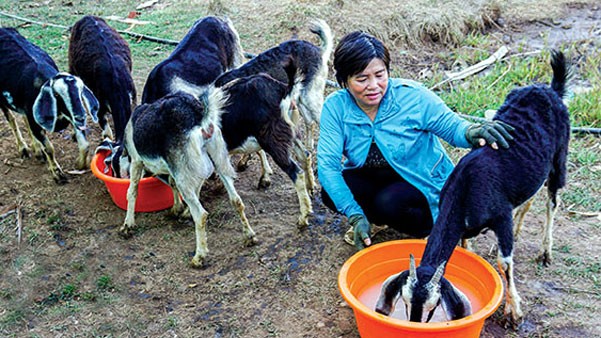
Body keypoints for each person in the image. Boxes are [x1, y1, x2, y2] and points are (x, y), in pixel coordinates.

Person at [317, 31, 514, 250]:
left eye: (380, 75)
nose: (373, 85)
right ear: (344, 81)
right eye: (362, 79)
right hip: (372, 174)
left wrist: (471, 132)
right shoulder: (335, 107)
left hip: (419, 179)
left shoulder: (412, 97)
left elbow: (452, 126)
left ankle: (429, 228)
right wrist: (354, 214)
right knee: (330, 192)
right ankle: (373, 221)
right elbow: (328, 166)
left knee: (390, 202)